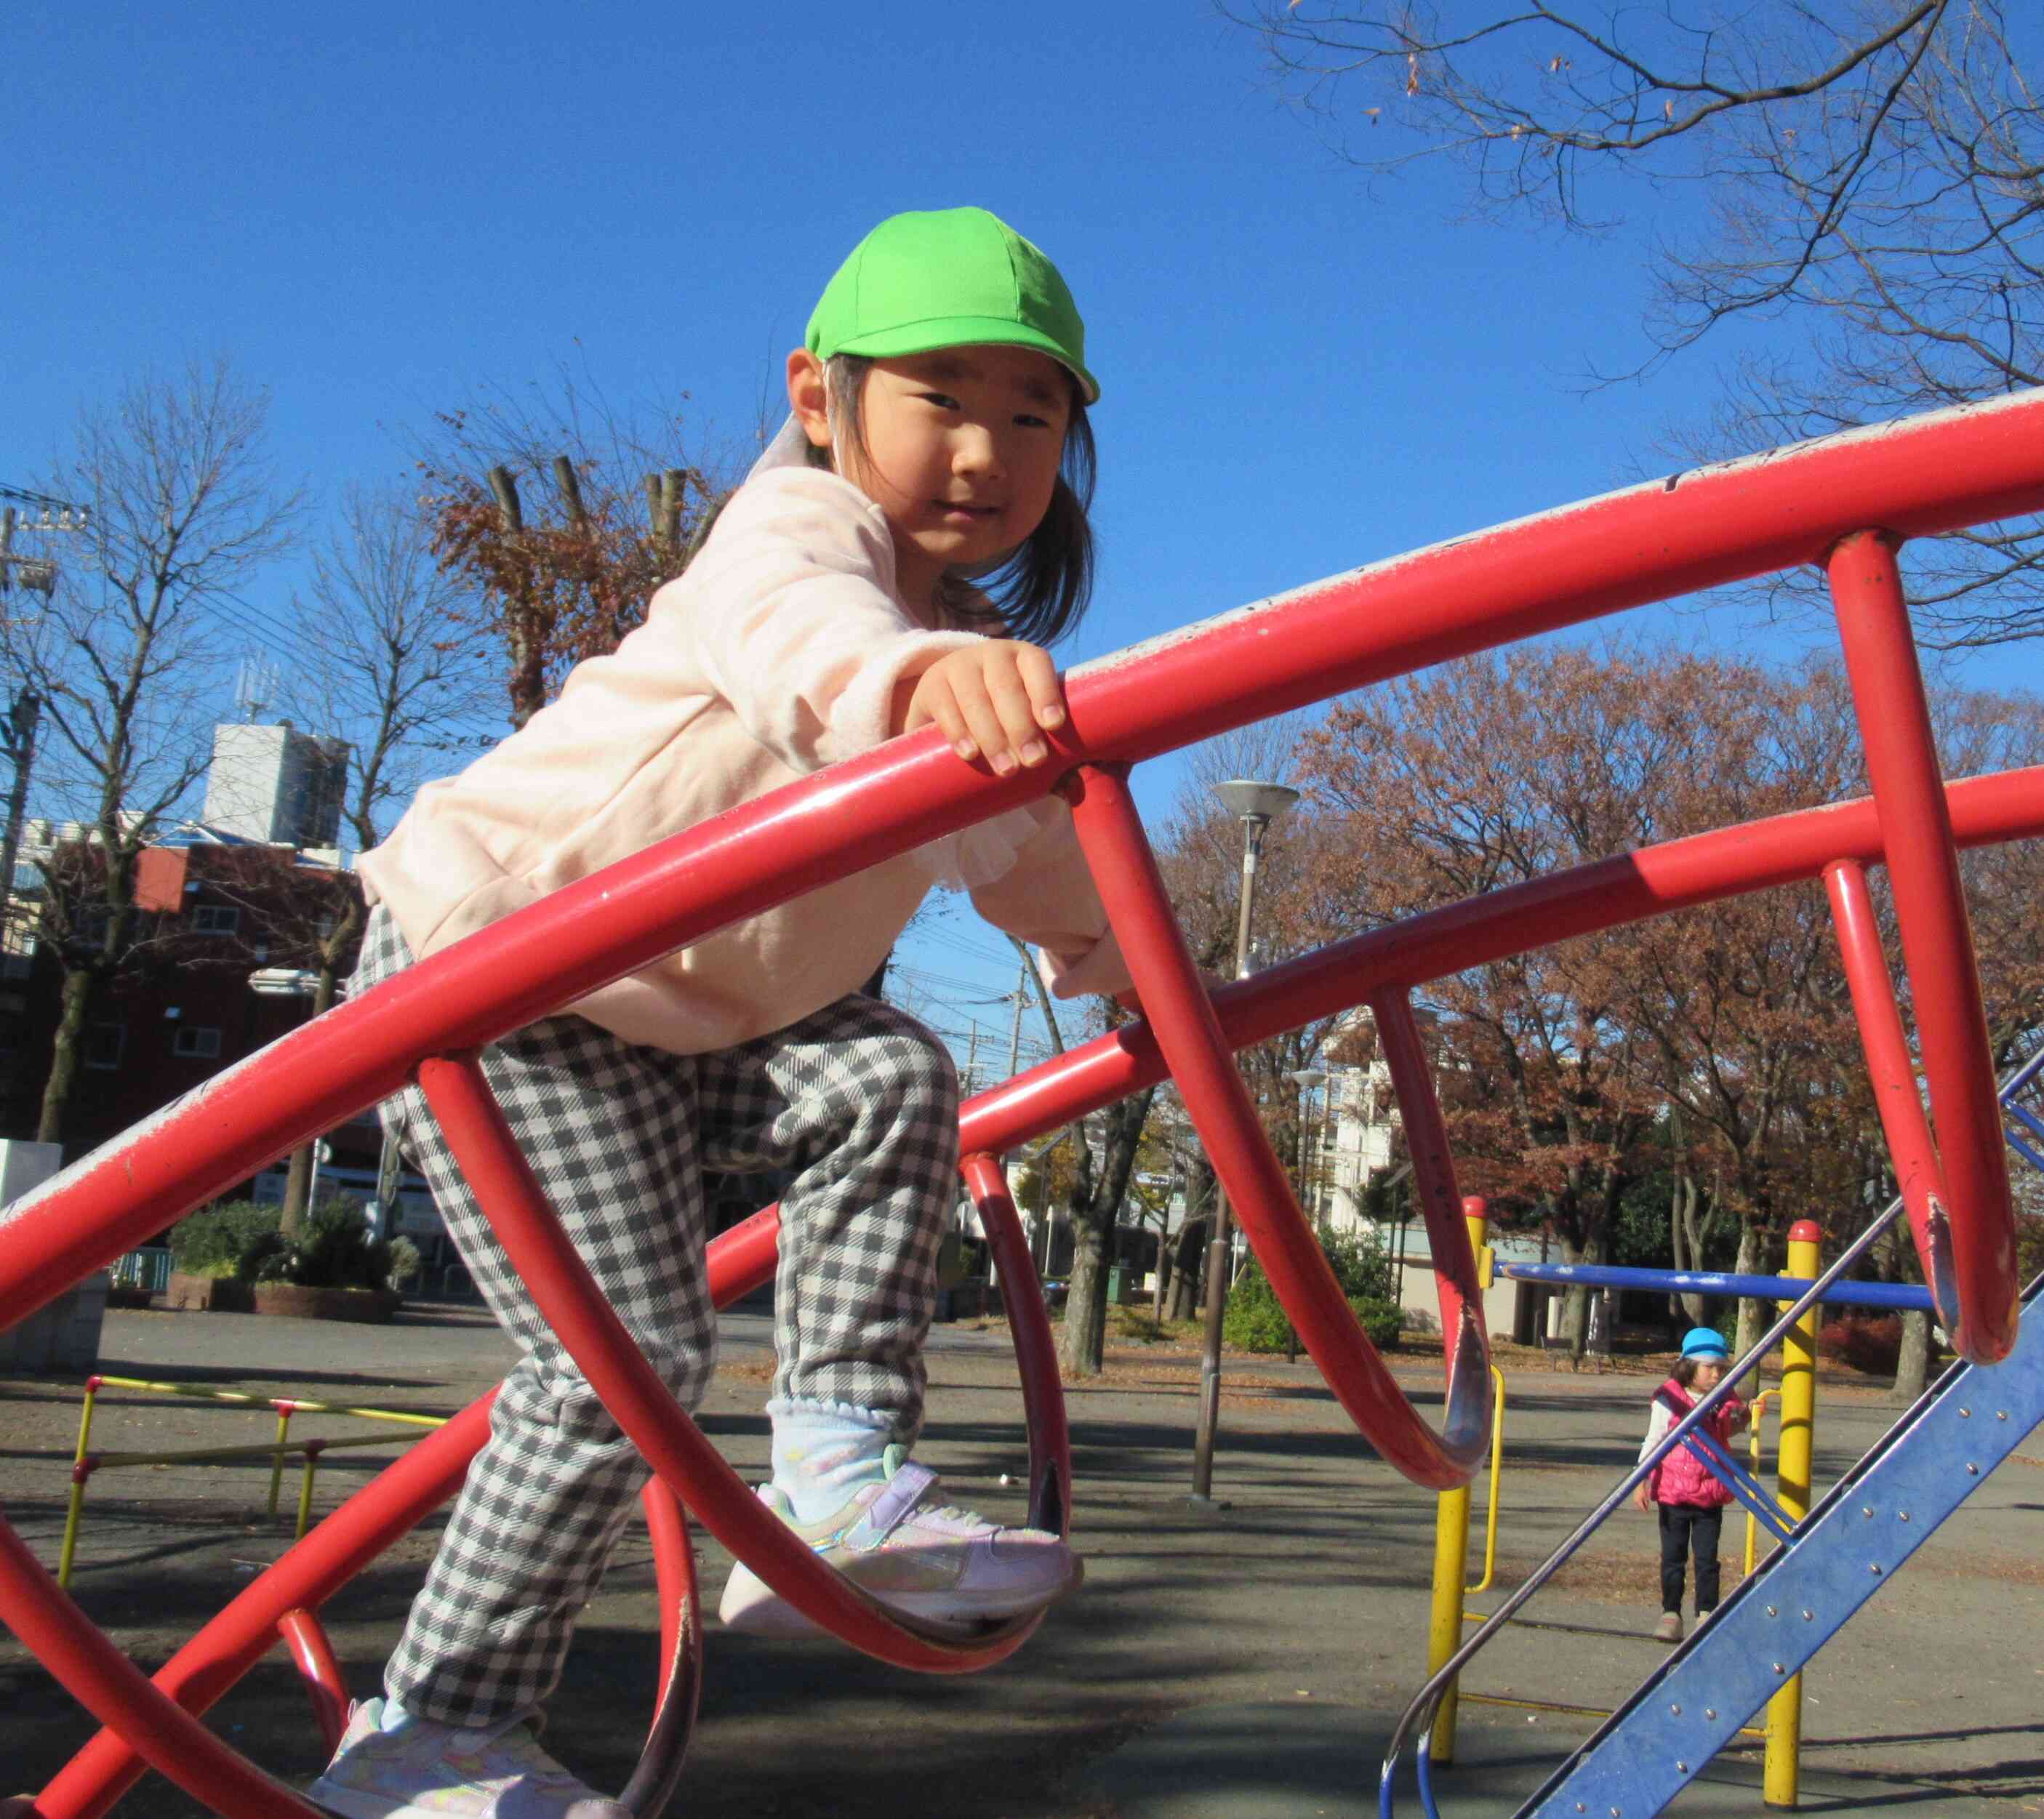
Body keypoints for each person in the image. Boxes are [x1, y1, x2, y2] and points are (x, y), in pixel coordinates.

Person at [311, 206, 1132, 1819]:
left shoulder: (966, 658)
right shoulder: (794, 541)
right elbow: (804, 646)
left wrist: (1144, 987)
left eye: (1032, 415)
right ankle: (428, 1737)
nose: (986, 448)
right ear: (820, 398)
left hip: (686, 1028)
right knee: (618, 1358)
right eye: (941, 398)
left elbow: (1047, 864)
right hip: (496, 986)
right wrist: (909, 687)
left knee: (891, 1074)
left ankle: (835, 1458)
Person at [1633, 1326, 1750, 1643]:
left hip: (1710, 1491)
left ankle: (1706, 1613)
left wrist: (1745, 1419)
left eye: (1721, 1368)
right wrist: (1640, 1481)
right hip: (1673, 1492)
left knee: (1707, 1558)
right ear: (1689, 1366)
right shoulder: (1669, 1399)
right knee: (1673, 1557)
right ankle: (1671, 1613)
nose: (1716, 1374)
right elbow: (1654, 1439)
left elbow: (1730, 1431)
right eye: (1710, 1367)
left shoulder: (1724, 1399)